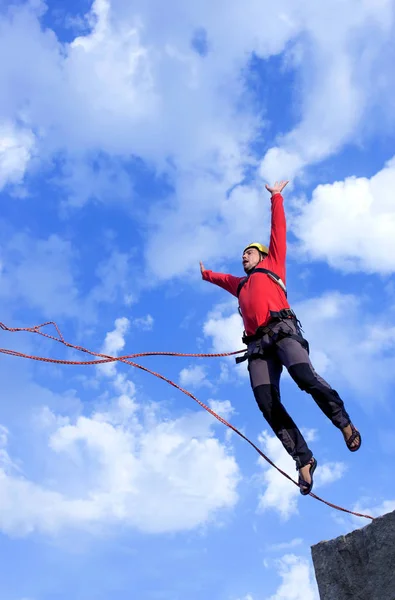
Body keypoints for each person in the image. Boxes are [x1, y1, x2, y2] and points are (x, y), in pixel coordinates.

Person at [200, 180, 361, 495]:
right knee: (266, 401)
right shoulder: (241, 284)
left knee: (304, 377)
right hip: (258, 347)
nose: (243, 258)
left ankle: (343, 422)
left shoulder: (273, 265)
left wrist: (276, 197)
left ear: (260, 255)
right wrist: (206, 274)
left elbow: (277, 231)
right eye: (242, 255)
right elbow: (223, 280)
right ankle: (304, 459)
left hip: (283, 331)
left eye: (248, 253)